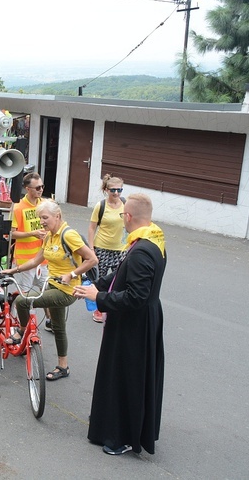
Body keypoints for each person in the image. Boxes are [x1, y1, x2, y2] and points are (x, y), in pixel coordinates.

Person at [74, 193, 166, 456]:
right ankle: (109, 429)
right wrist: (96, 286)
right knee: (119, 375)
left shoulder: (142, 250)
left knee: (127, 378)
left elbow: (136, 296)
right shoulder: (153, 239)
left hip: (133, 325)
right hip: (139, 320)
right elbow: (121, 274)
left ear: (128, 216)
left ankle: (123, 437)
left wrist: (99, 298)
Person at [3, 200, 98, 381]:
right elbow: (35, 261)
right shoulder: (49, 236)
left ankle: (21, 332)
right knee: (58, 326)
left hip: (66, 290)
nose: (42, 221)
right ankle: (63, 367)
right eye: (40, 218)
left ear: (58, 216)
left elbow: (92, 259)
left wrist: (71, 274)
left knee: (21, 301)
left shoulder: (68, 235)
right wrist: (13, 270)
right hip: (52, 284)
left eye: (45, 217)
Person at [10, 172, 52, 331]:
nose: (41, 190)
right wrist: (32, 233)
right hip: (25, 260)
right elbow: (11, 234)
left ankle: (49, 321)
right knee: (24, 296)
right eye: (38, 187)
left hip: (44, 259)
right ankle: (22, 325)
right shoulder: (19, 207)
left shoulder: (45, 205)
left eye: (42, 186)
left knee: (47, 292)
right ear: (28, 189)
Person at [87, 175, 126, 323]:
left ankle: (115, 307)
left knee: (119, 279)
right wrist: (91, 249)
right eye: (113, 190)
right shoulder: (100, 206)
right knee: (101, 280)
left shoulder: (125, 204)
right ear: (106, 190)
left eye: (119, 190)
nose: (116, 193)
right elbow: (92, 228)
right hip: (102, 247)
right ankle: (99, 308)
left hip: (120, 249)